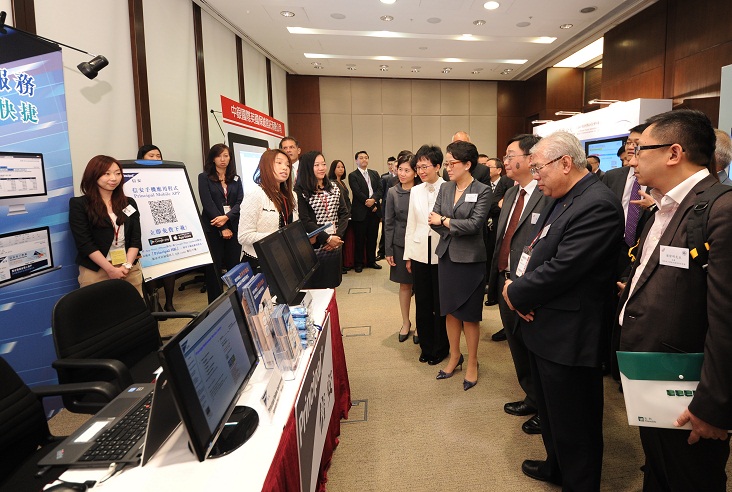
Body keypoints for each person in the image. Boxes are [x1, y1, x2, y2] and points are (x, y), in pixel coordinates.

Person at [617, 109, 732, 491]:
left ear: (673, 153)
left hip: (690, 392)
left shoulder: (722, 209)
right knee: (661, 470)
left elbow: (727, 319)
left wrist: (713, 404)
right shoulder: (662, 207)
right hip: (657, 380)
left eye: (639, 149)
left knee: (691, 478)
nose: (631, 159)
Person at [502, 131, 623, 490]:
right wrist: (520, 292)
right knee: (553, 415)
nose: (535, 176)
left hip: (570, 334)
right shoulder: (560, 195)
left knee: (576, 422)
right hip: (543, 324)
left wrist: (516, 293)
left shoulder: (596, 204)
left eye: (538, 168)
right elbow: (539, 248)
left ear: (565, 163)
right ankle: (556, 466)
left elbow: (564, 268)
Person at [488, 134, 551, 436]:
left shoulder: (546, 193)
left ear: (530, 158)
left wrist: (527, 291)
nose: (505, 160)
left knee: (535, 347)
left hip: (528, 286)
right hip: (505, 280)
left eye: (511, 154)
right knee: (516, 345)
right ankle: (531, 395)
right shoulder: (512, 193)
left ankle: (545, 407)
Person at [429, 140, 491, 391]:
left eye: (452, 163)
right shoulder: (445, 188)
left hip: (470, 261)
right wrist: (450, 223)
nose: (447, 168)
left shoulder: (483, 190)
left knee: (469, 315)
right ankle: (455, 355)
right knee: (450, 311)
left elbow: (475, 225)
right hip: (446, 257)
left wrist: (445, 221)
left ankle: (473, 362)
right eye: (446, 163)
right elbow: (432, 220)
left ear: (467, 164)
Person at [69, 155, 143, 295]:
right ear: (93, 175)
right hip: (97, 270)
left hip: (128, 268)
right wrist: (110, 270)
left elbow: (135, 238)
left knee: (133, 312)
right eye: (106, 174)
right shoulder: (79, 205)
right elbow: (85, 243)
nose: (114, 178)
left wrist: (126, 266)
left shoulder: (129, 203)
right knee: (99, 314)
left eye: (117, 173)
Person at [404, 145, 448, 361]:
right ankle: (427, 347)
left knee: (441, 303)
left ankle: (441, 348)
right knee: (422, 301)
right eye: (418, 167)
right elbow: (411, 224)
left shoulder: (449, 188)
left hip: (442, 252)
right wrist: (408, 255)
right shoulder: (414, 190)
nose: (420, 171)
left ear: (438, 166)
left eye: (425, 166)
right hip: (420, 251)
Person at [295, 151, 349, 288]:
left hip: (335, 243)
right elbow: (305, 220)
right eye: (316, 165)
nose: (321, 168)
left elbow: (343, 213)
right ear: (307, 167)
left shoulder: (334, 187)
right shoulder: (300, 191)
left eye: (323, 164)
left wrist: (336, 237)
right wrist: (327, 238)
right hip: (315, 245)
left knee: (332, 284)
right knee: (316, 286)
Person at [238, 149, 298, 271]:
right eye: (279, 163)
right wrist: (278, 237)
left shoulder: (291, 195)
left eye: (287, 164)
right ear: (266, 165)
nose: (285, 168)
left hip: (285, 258)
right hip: (259, 262)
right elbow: (244, 236)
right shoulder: (255, 194)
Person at [198, 143, 244, 303]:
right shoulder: (204, 177)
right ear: (212, 158)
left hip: (233, 225)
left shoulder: (236, 178)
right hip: (213, 227)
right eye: (219, 156)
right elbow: (208, 203)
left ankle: (235, 301)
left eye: (226, 155)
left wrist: (227, 217)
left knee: (234, 265)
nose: (223, 159)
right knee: (214, 268)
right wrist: (223, 226)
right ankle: (216, 304)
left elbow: (240, 202)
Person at [384, 151, 419, 342]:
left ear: (415, 172)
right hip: (399, 244)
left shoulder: (422, 190)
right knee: (405, 285)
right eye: (400, 169)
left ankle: (421, 323)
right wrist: (388, 250)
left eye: (407, 170)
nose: (402, 173)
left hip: (419, 244)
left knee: (421, 286)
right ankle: (406, 322)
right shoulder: (392, 192)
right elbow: (388, 222)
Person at [136, 144, 176, 311]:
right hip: (144, 224)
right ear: (141, 158)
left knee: (169, 264)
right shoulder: (134, 176)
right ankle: (155, 302)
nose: (155, 158)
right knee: (150, 263)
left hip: (165, 223)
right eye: (150, 156)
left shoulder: (166, 175)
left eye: (157, 156)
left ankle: (169, 302)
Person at [348, 150, 383, 272]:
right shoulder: (353, 175)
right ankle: (358, 263)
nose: (364, 160)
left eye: (366, 157)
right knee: (360, 239)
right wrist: (369, 203)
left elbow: (380, 189)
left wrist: (374, 200)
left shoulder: (374, 173)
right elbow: (357, 192)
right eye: (361, 158)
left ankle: (371, 261)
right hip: (360, 212)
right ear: (356, 161)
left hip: (374, 211)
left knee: (373, 238)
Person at [329, 159, 354, 273]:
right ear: (333, 169)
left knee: (344, 241)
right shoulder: (332, 183)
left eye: (342, 167)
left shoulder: (342, 183)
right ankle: (339, 266)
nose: (341, 169)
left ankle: (344, 263)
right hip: (338, 216)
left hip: (346, 215)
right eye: (338, 167)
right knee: (338, 240)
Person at [377, 156, 397, 260]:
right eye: (389, 164)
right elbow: (382, 194)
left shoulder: (401, 177)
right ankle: (381, 251)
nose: (391, 166)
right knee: (385, 230)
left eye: (392, 164)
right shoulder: (384, 177)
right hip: (386, 206)